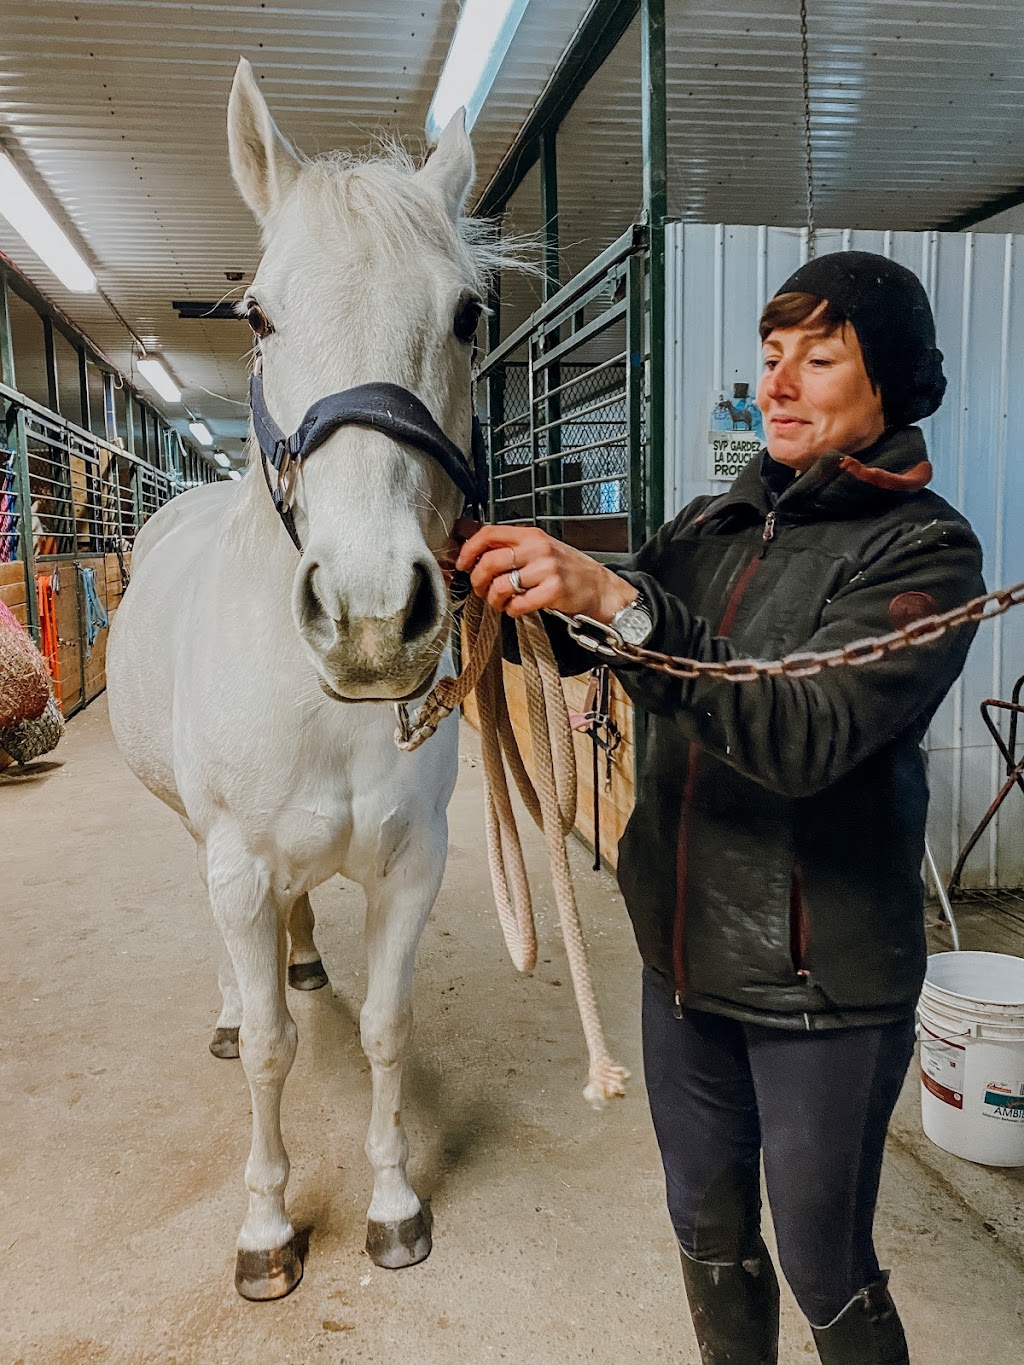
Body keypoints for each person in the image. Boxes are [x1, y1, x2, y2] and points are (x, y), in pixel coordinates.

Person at [456, 252, 985, 1364]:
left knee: (821, 1263)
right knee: (703, 1229)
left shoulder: (926, 551)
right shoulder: (711, 523)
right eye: (769, 358)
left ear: (884, 382)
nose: (779, 385)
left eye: (819, 358)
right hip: (682, 962)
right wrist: (528, 588)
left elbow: (803, 735)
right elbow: (607, 628)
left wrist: (621, 602)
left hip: (820, 989)